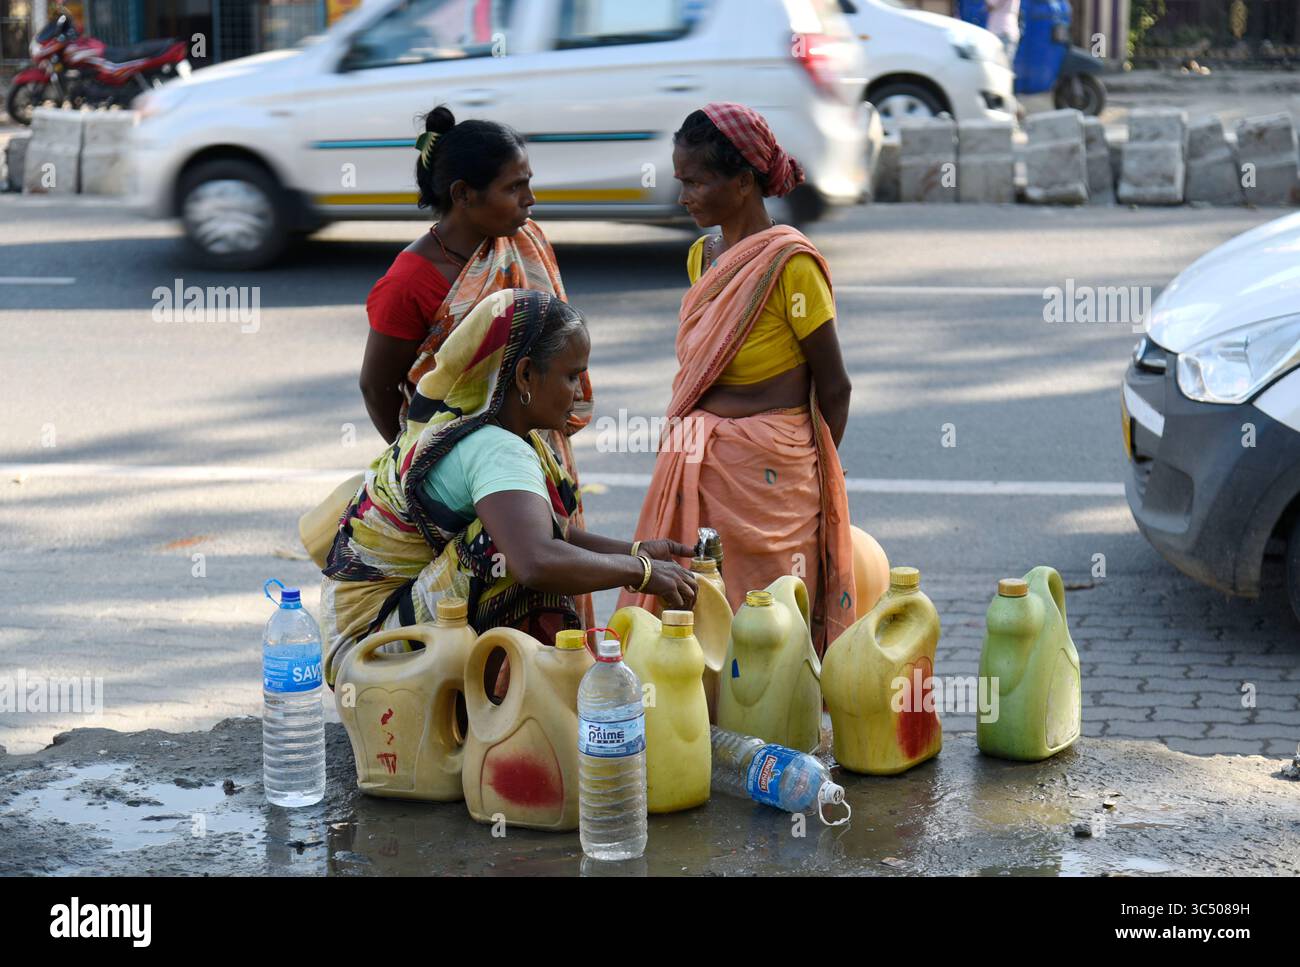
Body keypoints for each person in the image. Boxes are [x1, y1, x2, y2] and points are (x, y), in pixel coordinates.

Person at [321, 289, 696, 689]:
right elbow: (535, 560)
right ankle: (507, 703)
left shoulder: (469, 426)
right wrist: (641, 573)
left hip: (362, 644)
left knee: (518, 540)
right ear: (525, 374)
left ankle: (504, 700)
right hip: (369, 655)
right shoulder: (497, 449)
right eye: (571, 375)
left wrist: (635, 552)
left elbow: (546, 532)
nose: (582, 392)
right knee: (509, 553)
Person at [617, 104, 855, 656]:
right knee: (701, 608)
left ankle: (772, 725)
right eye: (681, 182)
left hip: (772, 470)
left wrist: (806, 467)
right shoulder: (704, 257)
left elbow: (835, 385)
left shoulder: (792, 264)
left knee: (766, 614)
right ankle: (709, 728)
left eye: (697, 182)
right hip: (702, 459)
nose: (684, 197)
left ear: (743, 182)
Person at [359, 104, 596, 623]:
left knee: (553, 603)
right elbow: (377, 387)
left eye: (528, 184)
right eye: (515, 188)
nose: (530, 201)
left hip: (537, 453)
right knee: (474, 617)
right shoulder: (410, 282)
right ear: (464, 194)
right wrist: (432, 467)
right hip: (461, 471)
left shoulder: (523, 244)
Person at [985, 0, 1020, 65]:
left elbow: (991, 6)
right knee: (1005, 66)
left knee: (996, 67)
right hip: (1011, 30)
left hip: (999, 31)